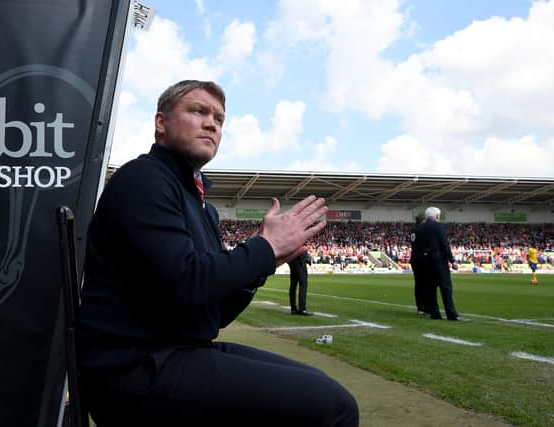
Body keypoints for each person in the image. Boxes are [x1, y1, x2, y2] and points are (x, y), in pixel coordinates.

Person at [76, 80, 359, 426]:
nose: (212, 123)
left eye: (220, 119)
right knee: (335, 407)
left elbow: (212, 315)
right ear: (160, 122)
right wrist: (264, 248)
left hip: (177, 352)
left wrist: (261, 266)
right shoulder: (143, 179)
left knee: (325, 389)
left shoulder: (201, 206)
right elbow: (188, 280)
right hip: (133, 369)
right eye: (198, 111)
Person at [414, 207, 461, 321]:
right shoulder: (438, 226)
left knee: (430, 288)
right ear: (437, 216)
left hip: (425, 261)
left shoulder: (419, 228)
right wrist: (452, 260)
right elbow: (444, 244)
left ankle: (435, 314)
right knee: (446, 287)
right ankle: (451, 314)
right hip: (438, 260)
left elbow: (417, 247)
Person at [409, 212, 429, 315]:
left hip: (414, 258)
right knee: (426, 283)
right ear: (423, 220)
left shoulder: (413, 231)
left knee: (418, 283)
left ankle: (420, 307)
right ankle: (426, 307)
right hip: (422, 258)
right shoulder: (423, 230)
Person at [288, 251, 312, 315]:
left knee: (293, 285)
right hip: (300, 261)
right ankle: (302, 309)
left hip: (292, 260)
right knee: (303, 284)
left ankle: (293, 309)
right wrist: (305, 259)